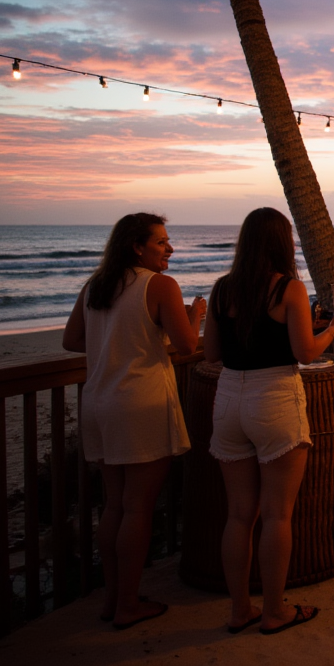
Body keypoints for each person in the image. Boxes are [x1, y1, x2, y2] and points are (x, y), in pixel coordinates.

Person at [204, 208, 334, 635]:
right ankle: (273, 611)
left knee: (238, 516)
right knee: (277, 515)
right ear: (282, 243)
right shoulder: (287, 288)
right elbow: (305, 352)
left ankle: (238, 611)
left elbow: (212, 353)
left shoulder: (221, 290)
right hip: (274, 397)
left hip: (229, 397)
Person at [62, 213, 205, 630]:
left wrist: (115, 340)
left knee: (115, 505)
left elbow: (71, 339)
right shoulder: (160, 286)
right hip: (139, 402)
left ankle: (112, 599)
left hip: (100, 402)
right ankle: (127, 604)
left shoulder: (96, 286)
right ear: (135, 246)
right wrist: (195, 313)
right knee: (138, 507)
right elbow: (185, 345)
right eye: (161, 242)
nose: (170, 248)